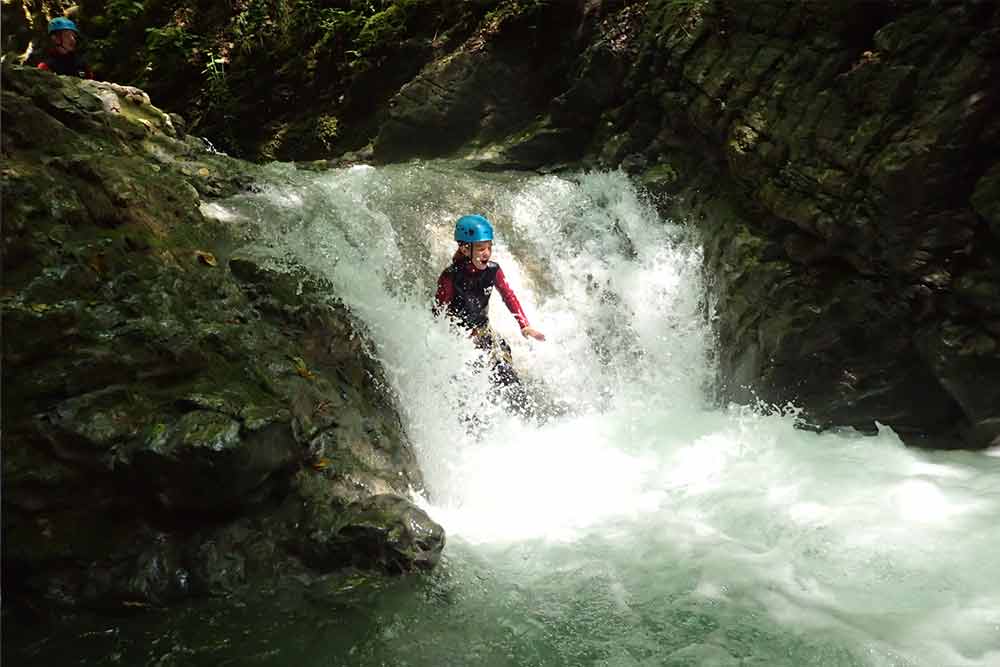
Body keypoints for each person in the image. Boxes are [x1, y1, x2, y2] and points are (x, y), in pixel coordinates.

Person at [434, 214, 546, 415]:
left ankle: (524, 419)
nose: (487, 253)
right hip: (459, 341)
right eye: (481, 248)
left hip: (484, 333)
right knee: (471, 384)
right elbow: (438, 311)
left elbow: (508, 295)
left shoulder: (493, 271)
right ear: (464, 249)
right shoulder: (451, 276)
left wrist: (524, 325)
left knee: (506, 372)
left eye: (489, 247)